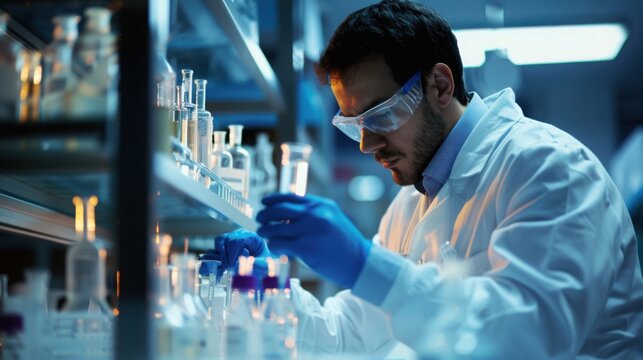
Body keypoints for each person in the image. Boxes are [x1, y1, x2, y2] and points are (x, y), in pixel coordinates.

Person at [208, 0, 643, 358]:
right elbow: (351, 334)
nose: (366, 143)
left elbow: (528, 339)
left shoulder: (549, 167)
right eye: (353, 124)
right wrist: (265, 287)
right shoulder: (410, 204)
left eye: (380, 115)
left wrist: (365, 265)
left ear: (439, 86)